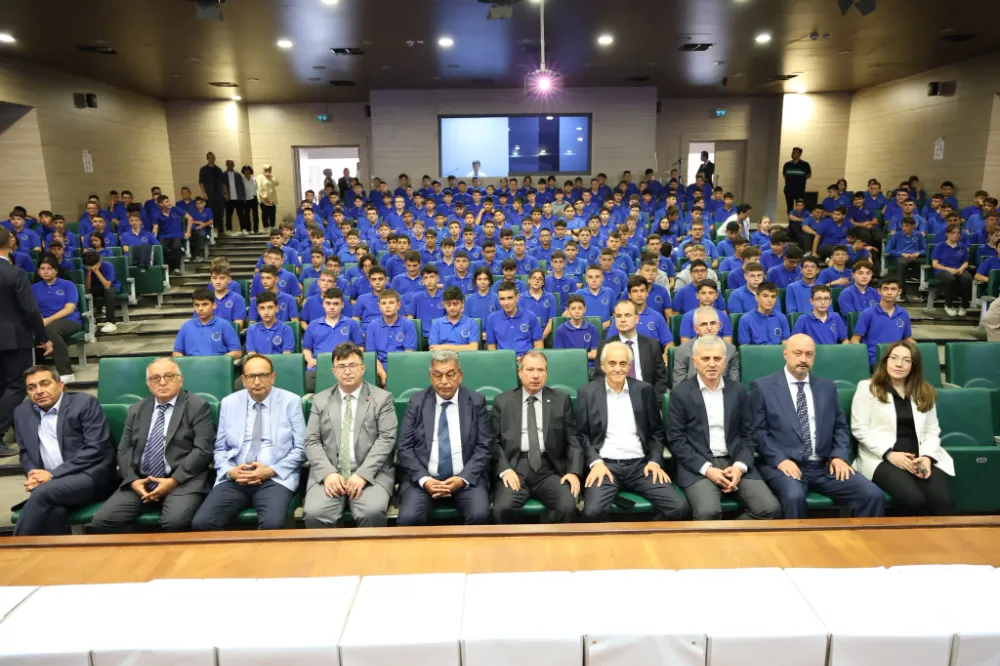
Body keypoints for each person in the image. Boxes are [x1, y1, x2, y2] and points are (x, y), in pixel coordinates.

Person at [750, 334, 885, 519]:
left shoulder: (827, 387)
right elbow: (758, 432)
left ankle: (862, 539)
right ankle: (794, 539)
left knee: (872, 495)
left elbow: (840, 427)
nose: (803, 359)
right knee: (793, 497)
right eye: (797, 353)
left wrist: (839, 456)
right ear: (785, 354)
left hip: (824, 465)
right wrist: (780, 460)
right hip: (785, 464)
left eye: (809, 354)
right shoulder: (763, 387)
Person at [90, 359, 215, 532]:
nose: (162, 382)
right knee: (103, 521)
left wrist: (173, 481)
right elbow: (124, 449)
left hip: (182, 481)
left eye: (169, 376)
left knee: (175, 522)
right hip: (142, 481)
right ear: (149, 384)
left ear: (181, 380)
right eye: (155, 378)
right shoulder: (136, 409)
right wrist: (133, 481)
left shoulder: (197, 406)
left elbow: (203, 449)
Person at [668, 336, 781, 520]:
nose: (712, 364)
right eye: (706, 358)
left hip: (735, 460)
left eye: (717, 358)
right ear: (695, 361)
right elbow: (676, 440)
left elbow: (749, 436)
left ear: (725, 361)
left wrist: (739, 467)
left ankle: (730, 537)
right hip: (698, 464)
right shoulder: (680, 394)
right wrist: (707, 469)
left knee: (770, 509)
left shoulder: (738, 391)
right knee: (708, 513)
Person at [577, 342, 690, 522]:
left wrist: (655, 461)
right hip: (605, 466)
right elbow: (581, 434)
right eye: (612, 363)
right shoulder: (587, 392)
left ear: (629, 366)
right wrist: (595, 462)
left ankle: (645, 536)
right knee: (592, 512)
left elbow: (656, 432)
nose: (617, 369)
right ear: (603, 365)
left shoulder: (644, 390)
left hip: (641, 466)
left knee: (679, 508)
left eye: (623, 364)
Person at [191, 354, 306, 530]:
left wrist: (270, 470)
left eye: (263, 375)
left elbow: (301, 448)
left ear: (273, 377)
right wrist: (230, 472)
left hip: (275, 477)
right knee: (202, 523)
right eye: (251, 376)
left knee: (273, 524)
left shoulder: (290, 401)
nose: (257, 381)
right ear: (243, 379)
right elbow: (220, 448)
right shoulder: (229, 403)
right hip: (236, 477)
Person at [851, 341, 955, 516]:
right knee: (913, 499)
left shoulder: (924, 391)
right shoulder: (867, 388)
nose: (899, 364)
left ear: (914, 365)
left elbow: (931, 430)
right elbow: (859, 429)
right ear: (886, 361)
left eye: (906, 360)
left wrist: (927, 456)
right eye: (894, 358)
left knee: (943, 501)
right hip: (882, 458)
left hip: (919, 457)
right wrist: (889, 454)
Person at [12, 366, 117, 536]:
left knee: (42, 494)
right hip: (50, 483)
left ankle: (13, 550)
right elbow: (24, 452)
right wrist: (33, 474)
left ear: (60, 385)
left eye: (44, 384)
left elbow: (96, 448)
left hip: (90, 476)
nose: (39, 391)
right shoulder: (21, 412)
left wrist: (53, 475)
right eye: (32, 387)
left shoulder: (84, 403)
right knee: (53, 511)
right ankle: (55, 553)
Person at [304, 342, 397, 528]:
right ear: (334, 371)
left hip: (371, 473)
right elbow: (311, 441)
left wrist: (363, 474)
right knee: (315, 513)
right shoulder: (320, 400)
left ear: (363, 369)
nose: (347, 371)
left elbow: (386, 439)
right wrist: (328, 473)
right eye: (341, 366)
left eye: (352, 365)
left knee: (372, 512)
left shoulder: (381, 399)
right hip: (329, 472)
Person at [396, 351, 492, 525]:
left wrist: (463, 479)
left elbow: (484, 446)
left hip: (465, 480)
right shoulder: (417, 402)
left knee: (480, 515)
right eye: (438, 375)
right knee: (408, 519)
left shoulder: (476, 401)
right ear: (430, 376)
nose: (444, 381)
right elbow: (404, 447)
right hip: (425, 481)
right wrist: (425, 480)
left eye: (450, 374)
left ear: (460, 376)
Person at [491, 351, 582, 524]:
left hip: (550, 468)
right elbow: (494, 442)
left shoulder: (561, 399)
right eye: (530, 370)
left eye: (540, 370)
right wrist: (504, 470)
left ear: (546, 373)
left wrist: (573, 472)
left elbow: (573, 440)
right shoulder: (503, 401)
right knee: (502, 509)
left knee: (567, 506)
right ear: (520, 372)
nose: (535, 375)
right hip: (515, 467)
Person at [0, 228, 51, 453]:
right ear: (11, 244)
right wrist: (43, 337)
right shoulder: (15, 273)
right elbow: (30, 309)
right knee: (17, 385)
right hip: (14, 338)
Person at [594, 300, 669, 401]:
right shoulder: (605, 346)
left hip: (646, 399)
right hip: (615, 400)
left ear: (637, 319)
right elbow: (599, 379)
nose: (622, 320)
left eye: (627, 315)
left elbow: (661, 379)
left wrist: (652, 402)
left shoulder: (652, 345)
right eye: (618, 316)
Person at [32, 255, 83, 383]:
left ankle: (66, 372)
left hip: (69, 320)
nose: (46, 271)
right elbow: (32, 309)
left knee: (49, 330)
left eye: (49, 268)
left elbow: (69, 309)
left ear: (56, 270)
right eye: (42, 268)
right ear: (38, 271)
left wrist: (48, 320)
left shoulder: (68, 285)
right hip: (44, 322)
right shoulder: (33, 288)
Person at [850, 277, 915, 367]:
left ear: (899, 292)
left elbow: (907, 338)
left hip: (897, 358)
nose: (889, 292)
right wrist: (863, 358)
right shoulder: (868, 313)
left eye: (893, 289)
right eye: (885, 289)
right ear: (879, 291)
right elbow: (855, 339)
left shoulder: (903, 313)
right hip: (875, 359)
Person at [672, 307, 740, 386]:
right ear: (696, 329)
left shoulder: (730, 350)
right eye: (704, 324)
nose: (709, 328)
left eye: (713, 323)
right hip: (691, 393)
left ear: (719, 325)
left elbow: (734, 386)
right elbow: (679, 387)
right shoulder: (682, 351)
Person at [173, 288, 243, 360]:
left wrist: (219, 361)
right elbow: (177, 352)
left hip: (217, 365)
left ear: (214, 305)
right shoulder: (186, 326)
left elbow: (237, 352)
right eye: (197, 305)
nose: (200, 308)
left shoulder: (224, 325)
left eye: (205, 304)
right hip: (191, 365)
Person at [931, 223, 972, 316]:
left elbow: (966, 262)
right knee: (950, 278)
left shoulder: (962, 247)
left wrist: (961, 269)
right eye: (953, 233)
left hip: (958, 269)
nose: (956, 235)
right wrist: (948, 269)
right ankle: (948, 305)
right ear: (947, 234)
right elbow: (935, 264)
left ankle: (964, 305)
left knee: (967, 278)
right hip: (942, 270)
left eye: (958, 233)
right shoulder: (939, 246)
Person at [82, 250, 119, 334]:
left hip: (110, 287)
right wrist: (89, 272)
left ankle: (110, 322)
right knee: (85, 293)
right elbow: (88, 287)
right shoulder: (85, 268)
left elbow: (107, 285)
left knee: (109, 292)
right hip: (95, 287)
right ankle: (91, 322)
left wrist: (96, 271)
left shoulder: (107, 266)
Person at [782, 147, 812, 244]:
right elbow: (785, 175)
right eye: (793, 152)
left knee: (800, 207)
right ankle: (791, 226)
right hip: (789, 189)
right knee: (789, 208)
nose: (793, 154)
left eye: (795, 152)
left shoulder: (805, 164)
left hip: (799, 190)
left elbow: (808, 175)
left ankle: (801, 224)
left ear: (800, 154)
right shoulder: (787, 164)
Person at [199, 151, 227, 237]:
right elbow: (201, 182)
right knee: (210, 213)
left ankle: (221, 232)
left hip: (219, 195)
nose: (212, 159)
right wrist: (204, 193)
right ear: (207, 159)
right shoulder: (203, 169)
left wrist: (226, 193)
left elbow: (223, 182)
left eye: (213, 157)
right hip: (209, 195)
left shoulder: (218, 170)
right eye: (210, 157)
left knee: (220, 213)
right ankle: (211, 232)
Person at [224, 159, 249, 236]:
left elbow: (242, 186)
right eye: (228, 164)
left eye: (232, 164)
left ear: (233, 165)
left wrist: (243, 197)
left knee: (241, 214)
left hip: (238, 198)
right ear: (226, 165)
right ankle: (228, 229)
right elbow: (222, 186)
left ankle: (243, 229)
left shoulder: (237, 175)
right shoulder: (223, 175)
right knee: (228, 215)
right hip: (229, 199)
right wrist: (224, 195)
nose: (230, 165)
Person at [255, 164, 279, 231]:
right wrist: (266, 198)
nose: (268, 171)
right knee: (265, 213)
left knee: (272, 213)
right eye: (266, 169)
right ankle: (266, 227)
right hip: (264, 199)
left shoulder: (272, 176)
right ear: (263, 170)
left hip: (272, 198)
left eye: (269, 169)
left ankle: (272, 226)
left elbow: (276, 183)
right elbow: (260, 188)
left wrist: (271, 177)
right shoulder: (260, 177)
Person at [241, 165, 259, 234]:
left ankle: (256, 229)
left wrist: (258, 199)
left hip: (254, 198)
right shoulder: (242, 180)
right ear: (243, 171)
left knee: (255, 215)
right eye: (245, 170)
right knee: (247, 215)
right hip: (246, 199)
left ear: (250, 171)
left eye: (248, 170)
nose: (247, 171)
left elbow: (257, 189)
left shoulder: (254, 179)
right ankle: (248, 229)